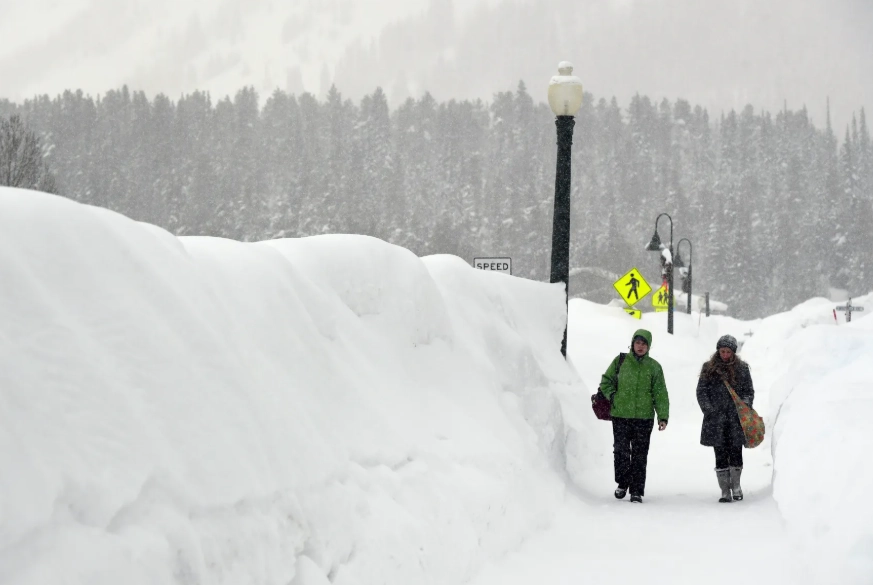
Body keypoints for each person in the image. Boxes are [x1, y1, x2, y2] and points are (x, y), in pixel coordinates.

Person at [598, 329, 669, 504]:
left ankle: (636, 490)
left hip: (644, 418)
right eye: (638, 342)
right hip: (621, 415)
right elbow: (606, 381)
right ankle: (623, 483)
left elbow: (660, 393)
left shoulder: (654, 367)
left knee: (640, 454)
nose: (640, 346)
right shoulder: (620, 361)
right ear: (632, 343)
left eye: (644, 344)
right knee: (621, 451)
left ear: (648, 346)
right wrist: (613, 396)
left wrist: (663, 416)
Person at [696, 334, 755, 503]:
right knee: (720, 453)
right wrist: (709, 410)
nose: (725, 354)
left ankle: (736, 486)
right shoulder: (709, 368)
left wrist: (744, 406)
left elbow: (748, 391)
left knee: (736, 451)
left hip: (736, 419)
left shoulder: (742, 369)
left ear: (733, 352)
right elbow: (701, 392)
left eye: (728, 351)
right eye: (722, 351)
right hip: (716, 420)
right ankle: (724, 490)